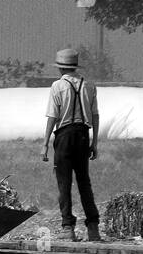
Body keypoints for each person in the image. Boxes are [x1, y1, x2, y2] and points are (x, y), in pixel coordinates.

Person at [41, 48, 101, 242]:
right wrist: (95, 141)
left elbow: (53, 116)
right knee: (84, 182)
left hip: (65, 136)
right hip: (83, 135)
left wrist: (45, 144)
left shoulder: (57, 86)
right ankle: (93, 227)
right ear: (75, 66)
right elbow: (95, 115)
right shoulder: (89, 85)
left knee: (64, 183)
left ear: (60, 68)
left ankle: (68, 227)